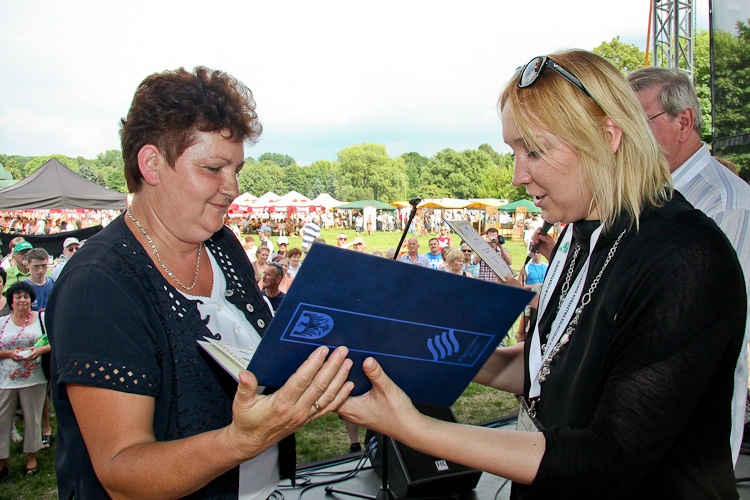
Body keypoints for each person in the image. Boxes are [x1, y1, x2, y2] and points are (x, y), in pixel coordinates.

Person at [339, 50, 746, 499]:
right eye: (513, 151)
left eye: (534, 150)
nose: (517, 175)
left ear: (608, 136)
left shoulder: (686, 256)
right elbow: (546, 366)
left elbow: (608, 461)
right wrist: (422, 349)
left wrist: (414, 428)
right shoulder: (582, 232)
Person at [45, 66, 353, 499]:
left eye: (236, 168)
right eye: (212, 168)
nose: (233, 187)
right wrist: (241, 441)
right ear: (151, 164)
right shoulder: (99, 282)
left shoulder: (223, 246)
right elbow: (121, 471)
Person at [628, 66, 750, 464]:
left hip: (690, 434)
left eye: (640, 121)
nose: (627, 136)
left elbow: (717, 329)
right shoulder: (645, 194)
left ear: (684, 121)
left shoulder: (728, 204)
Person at [0, 281, 51, 478]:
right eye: (18, 297)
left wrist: (38, 350)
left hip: (34, 378)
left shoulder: (42, 319)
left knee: (33, 418)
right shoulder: (2, 322)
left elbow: (54, 342)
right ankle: (2, 459)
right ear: (11, 301)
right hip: (6, 379)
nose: (22, 300)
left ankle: (32, 456)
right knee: (2, 419)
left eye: (26, 297)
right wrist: (8, 354)